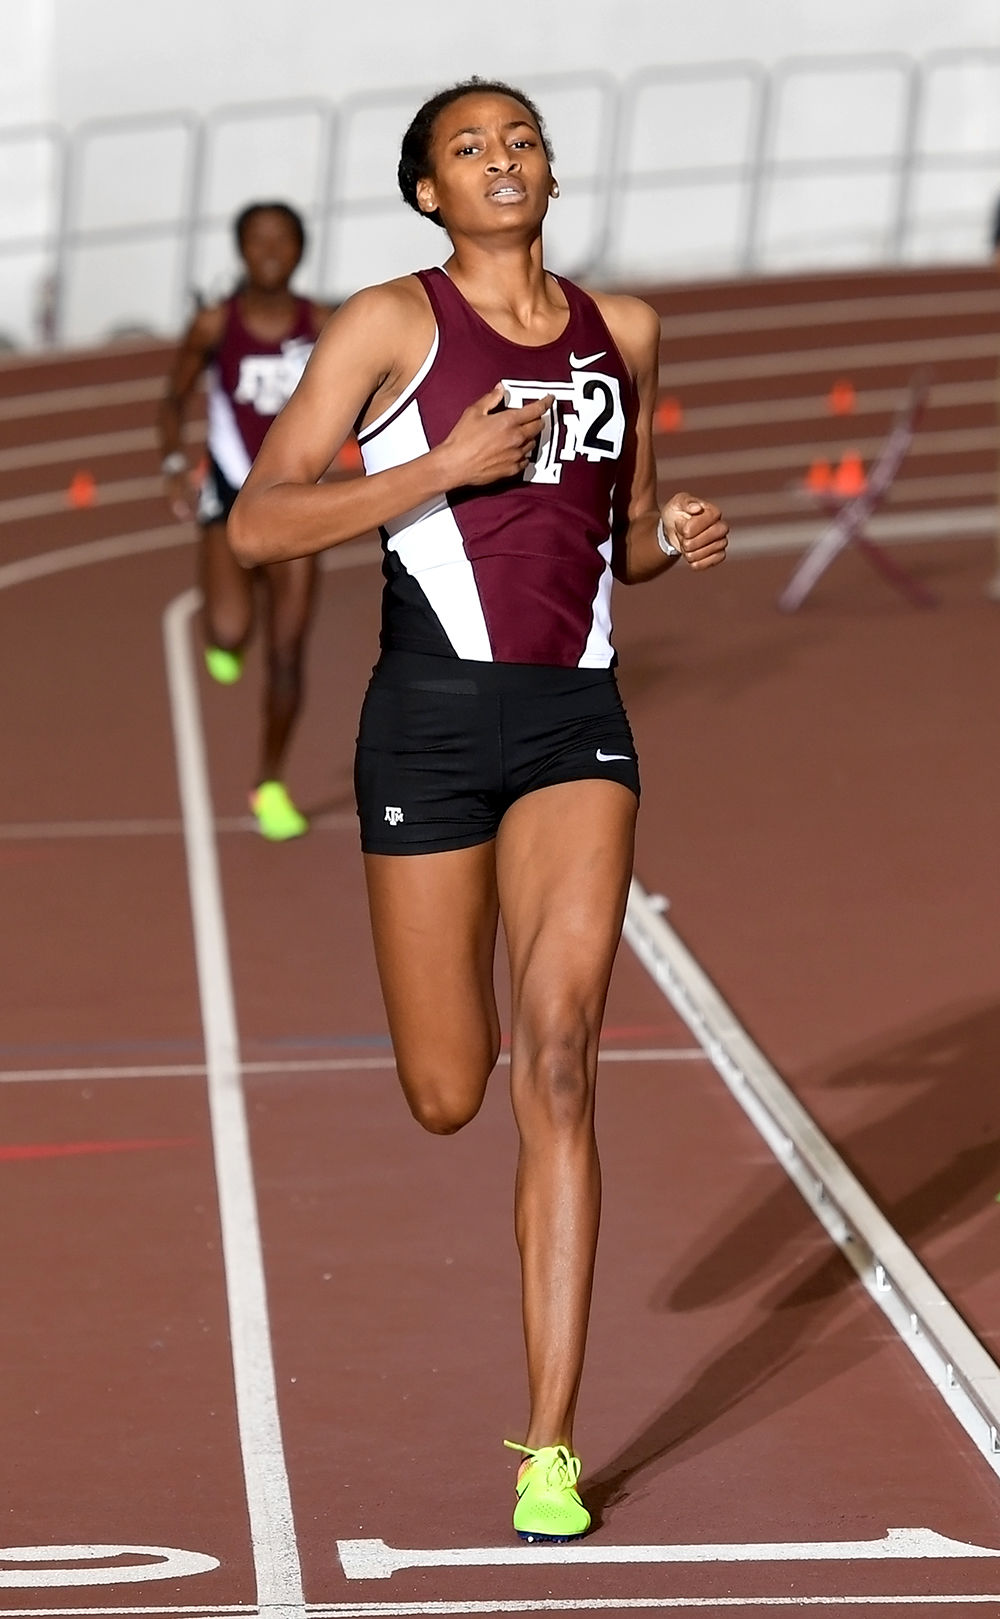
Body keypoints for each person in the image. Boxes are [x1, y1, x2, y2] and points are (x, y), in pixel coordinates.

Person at [229, 79, 729, 1540]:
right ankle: (483, 1039)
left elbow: (614, 537)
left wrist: (671, 532)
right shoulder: (388, 326)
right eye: (468, 148)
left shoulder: (621, 332)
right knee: (453, 1087)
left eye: (521, 141)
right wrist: (438, 470)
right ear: (427, 193)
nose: (501, 161)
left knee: (562, 1053)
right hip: (429, 727)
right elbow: (261, 520)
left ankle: (552, 1445)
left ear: (551, 175)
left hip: (578, 725)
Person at [159, 201, 332, 839]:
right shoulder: (214, 325)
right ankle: (222, 637)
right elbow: (172, 399)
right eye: (257, 240)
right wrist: (176, 462)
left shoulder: (325, 325)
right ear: (240, 249)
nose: (270, 251)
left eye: (283, 240)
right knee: (232, 633)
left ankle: (269, 784)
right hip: (231, 497)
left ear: (300, 250)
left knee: (287, 654)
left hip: (298, 503)